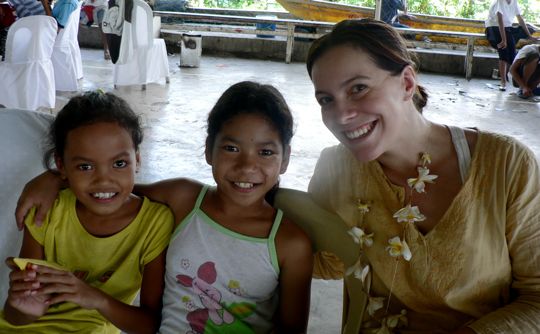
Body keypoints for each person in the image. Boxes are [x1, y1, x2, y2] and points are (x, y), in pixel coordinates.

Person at [14, 81, 313, 333]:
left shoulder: (291, 244)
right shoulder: (183, 199)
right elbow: (113, 191)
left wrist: (57, 177)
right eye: (231, 148)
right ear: (209, 150)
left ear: (285, 159)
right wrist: (54, 178)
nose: (247, 166)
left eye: (265, 152)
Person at [300, 18, 540, 333]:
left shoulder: (505, 165)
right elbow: (327, 260)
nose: (342, 116)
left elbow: (536, 297)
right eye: (326, 100)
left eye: (358, 88)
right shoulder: (337, 169)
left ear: (407, 83)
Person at [0, 91, 174, 333]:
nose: (104, 180)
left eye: (120, 164)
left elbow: (150, 324)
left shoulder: (155, 223)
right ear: (61, 166)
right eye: (85, 166)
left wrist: (95, 298)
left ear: (138, 159)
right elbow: (14, 317)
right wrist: (22, 307)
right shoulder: (46, 211)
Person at [484, 0, 536, 91]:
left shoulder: (514, 2)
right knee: (503, 52)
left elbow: (520, 19)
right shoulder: (500, 1)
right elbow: (500, 20)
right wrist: (504, 40)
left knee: (512, 55)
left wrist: (529, 36)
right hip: (494, 27)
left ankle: (513, 79)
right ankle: (503, 82)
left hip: (507, 28)